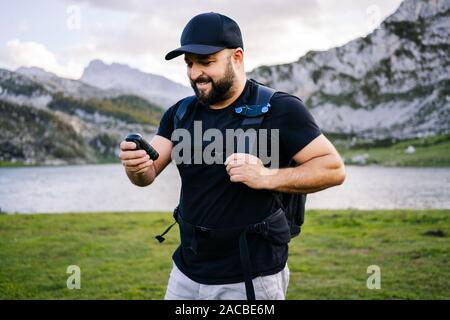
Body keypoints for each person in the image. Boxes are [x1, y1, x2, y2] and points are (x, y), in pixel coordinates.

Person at [119, 12, 346, 300]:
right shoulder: (179, 113)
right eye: (189, 63)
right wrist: (135, 166)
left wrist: (267, 176)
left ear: (237, 57)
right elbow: (146, 175)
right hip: (186, 273)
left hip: (251, 276)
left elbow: (333, 169)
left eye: (206, 62)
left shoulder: (281, 108)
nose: (194, 73)